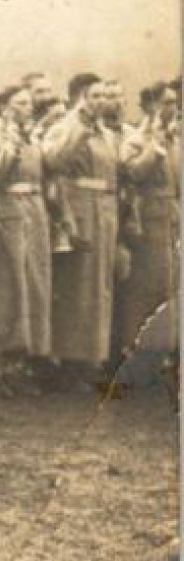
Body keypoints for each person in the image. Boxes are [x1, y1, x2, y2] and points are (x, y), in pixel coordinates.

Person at [0, 84, 53, 382]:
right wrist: (10, 151)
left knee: (32, 286)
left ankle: (19, 363)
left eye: (29, 103)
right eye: (20, 103)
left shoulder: (32, 138)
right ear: (5, 108)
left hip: (34, 214)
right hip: (4, 213)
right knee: (3, 288)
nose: (28, 108)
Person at [43, 74, 121, 378]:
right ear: (80, 97)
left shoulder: (106, 131)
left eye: (105, 96)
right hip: (79, 206)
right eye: (95, 96)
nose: (102, 102)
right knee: (78, 285)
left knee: (99, 285)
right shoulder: (66, 126)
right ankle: (71, 359)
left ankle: (93, 357)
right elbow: (54, 162)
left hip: (105, 208)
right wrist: (79, 131)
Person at [114, 80, 179, 359]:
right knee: (144, 285)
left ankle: (165, 349)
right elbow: (132, 173)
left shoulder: (177, 137)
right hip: (147, 216)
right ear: (150, 106)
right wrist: (155, 148)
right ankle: (134, 348)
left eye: (174, 102)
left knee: (170, 284)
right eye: (166, 103)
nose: (172, 108)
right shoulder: (136, 139)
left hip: (171, 216)